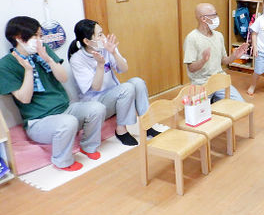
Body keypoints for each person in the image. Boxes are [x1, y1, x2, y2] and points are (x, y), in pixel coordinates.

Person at [0, 16, 106, 171]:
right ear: (18, 38)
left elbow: (63, 78)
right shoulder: (6, 64)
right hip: (39, 121)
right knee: (68, 122)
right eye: (35, 36)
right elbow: (24, 98)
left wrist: (48, 59)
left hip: (65, 109)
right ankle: (62, 161)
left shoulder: (44, 51)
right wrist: (28, 70)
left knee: (97, 108)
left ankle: (88, 146)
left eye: (40, 36)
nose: (39, 40)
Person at [68, 19, 158, 146]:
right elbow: (96, 87)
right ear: (87, 41)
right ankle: (121, 130)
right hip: (97, 103)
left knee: (137, 82)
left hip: (115, 96)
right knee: (126, 88)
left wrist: (114, 52)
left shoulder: (105, 49)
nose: (103, 37)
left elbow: (124, 68)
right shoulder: (77, 60)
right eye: (99, 35)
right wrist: (100, 65)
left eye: (102, 33)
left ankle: (147, 124)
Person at [183, 3, 249, 102]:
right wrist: (203, 61)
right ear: (203, 19)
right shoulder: (192, 38)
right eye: (214, 15)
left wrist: (234, 56)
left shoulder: (219, 36)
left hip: (219, 80)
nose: (216, 18)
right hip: (201, 84)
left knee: (240, 104)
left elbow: (224, 61)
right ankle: (213, 100)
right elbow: (191, 68)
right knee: (202, 115)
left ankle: (215, 99)